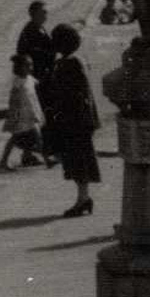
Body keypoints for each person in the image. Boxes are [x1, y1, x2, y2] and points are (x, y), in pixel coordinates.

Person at [40, 25, 100, 215]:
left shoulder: (68, 64)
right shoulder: (74, 61)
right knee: (78, 159)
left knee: (77, 160)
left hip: (74, 119)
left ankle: (83, 200)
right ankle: (84, 198)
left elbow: (68, 93)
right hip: (79, 119)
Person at [0, 54, 46, 170]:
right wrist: (11, 113)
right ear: (19, 68)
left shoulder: (29, 78)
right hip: (21, 115)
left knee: (30, 136)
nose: (31, 67)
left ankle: (10, 159)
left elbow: (37, 85)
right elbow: (13, 100)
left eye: (31, 65)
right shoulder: (18, 83)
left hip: (30, 113)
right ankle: (47, 159)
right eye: (28, 65)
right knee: (30, 136)